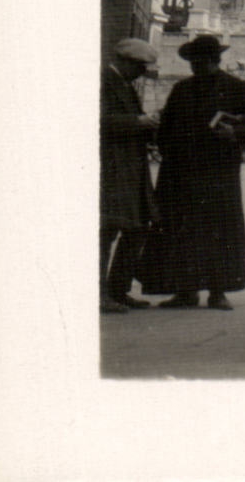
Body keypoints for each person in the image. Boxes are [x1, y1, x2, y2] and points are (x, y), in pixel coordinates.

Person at [139, 35, 245, 311]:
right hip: (181, 173)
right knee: (182, 231)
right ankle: (185, 290)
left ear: (216, 61)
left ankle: (218, 291)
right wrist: (169, 150)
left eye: (203, 62)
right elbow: (166, 128)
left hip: (218, 173)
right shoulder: (182, 89)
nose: (197, 67)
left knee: (219, 231)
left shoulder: (237, 89)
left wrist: (235, 133)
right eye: (193, 63)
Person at [101, 37, 161, 313]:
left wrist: (148, 124)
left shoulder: (125, 84)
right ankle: (100, 294)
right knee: (107, 230)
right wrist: (138, 121)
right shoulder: (103, 82)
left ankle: (118, 289)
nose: (141, 73)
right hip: (112, 168)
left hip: (131, 169)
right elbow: (97, 120)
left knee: (138, 228)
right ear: (125, 62)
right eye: (139, 67)